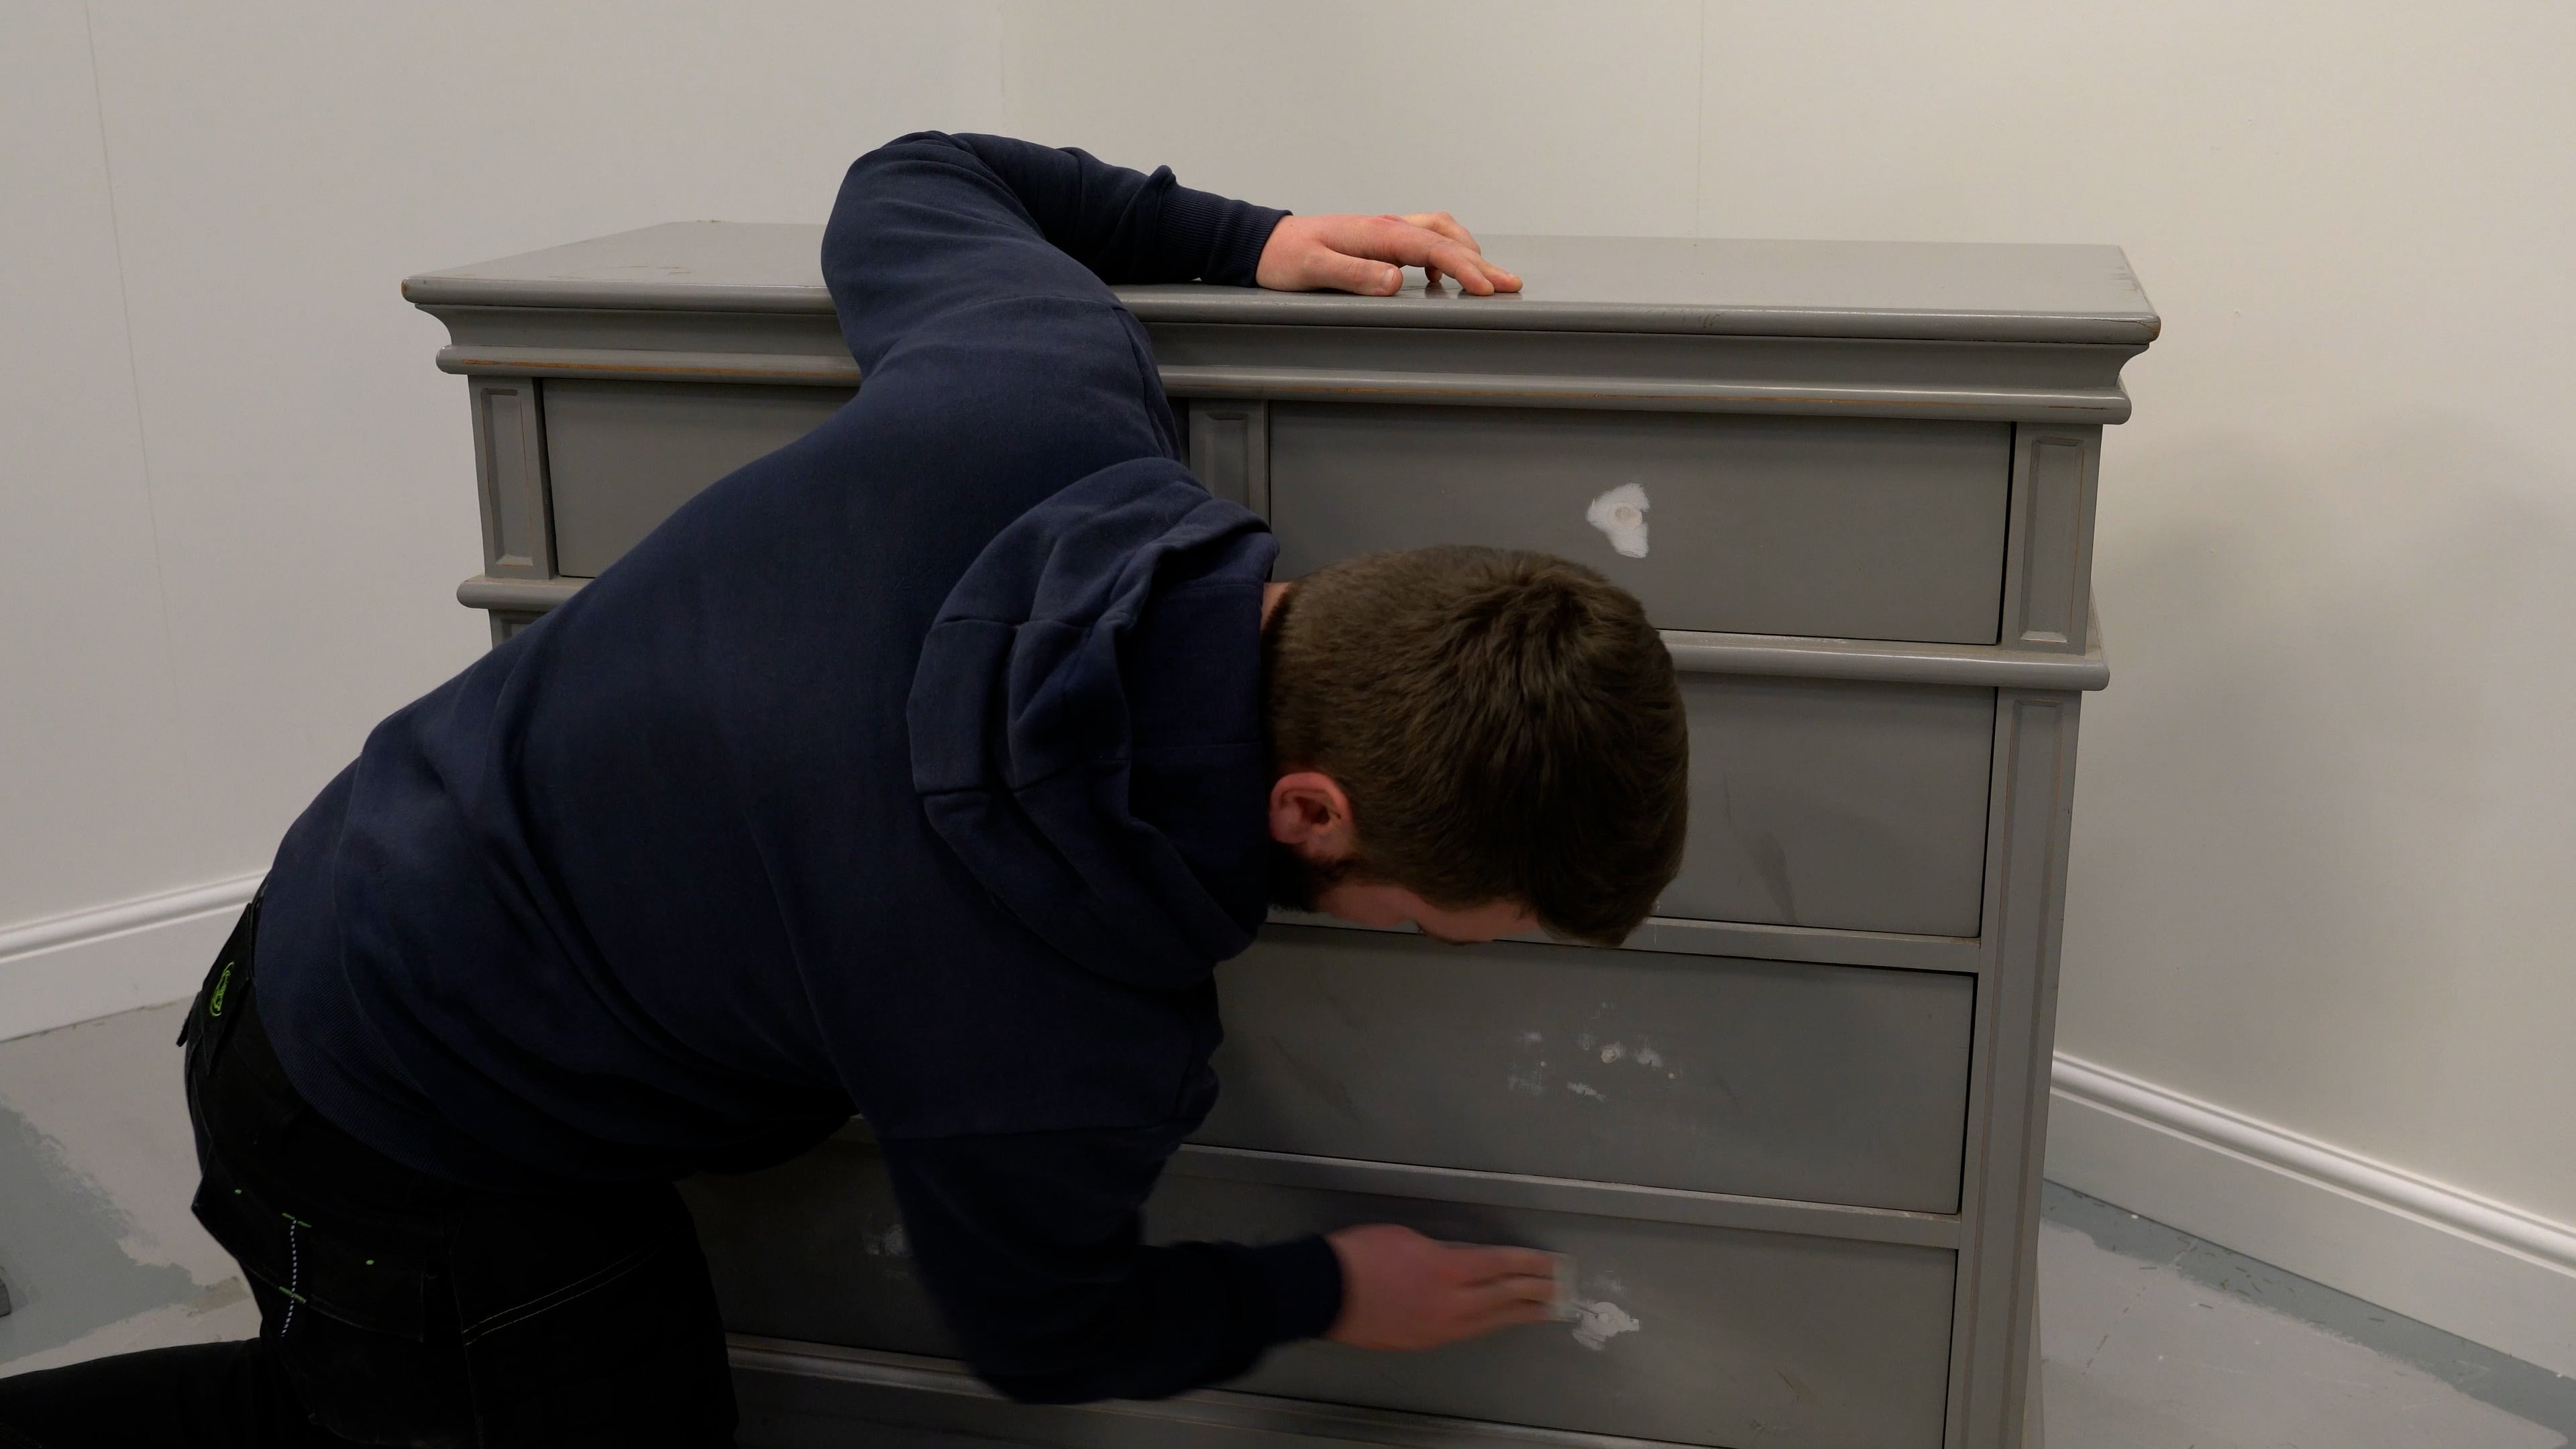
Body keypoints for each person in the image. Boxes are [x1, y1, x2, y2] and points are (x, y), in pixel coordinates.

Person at [0, 131, 1687, 1448]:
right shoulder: (1062, 1017)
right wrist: (1330, 1285)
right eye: (1481, 921)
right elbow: (1045, 1331)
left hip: (350, 882)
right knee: (381, 1423)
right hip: (398, 1114)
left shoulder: (1042, 403)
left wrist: (1240, 240)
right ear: (1311, 809)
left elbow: (914, 177)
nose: (1474, 950)